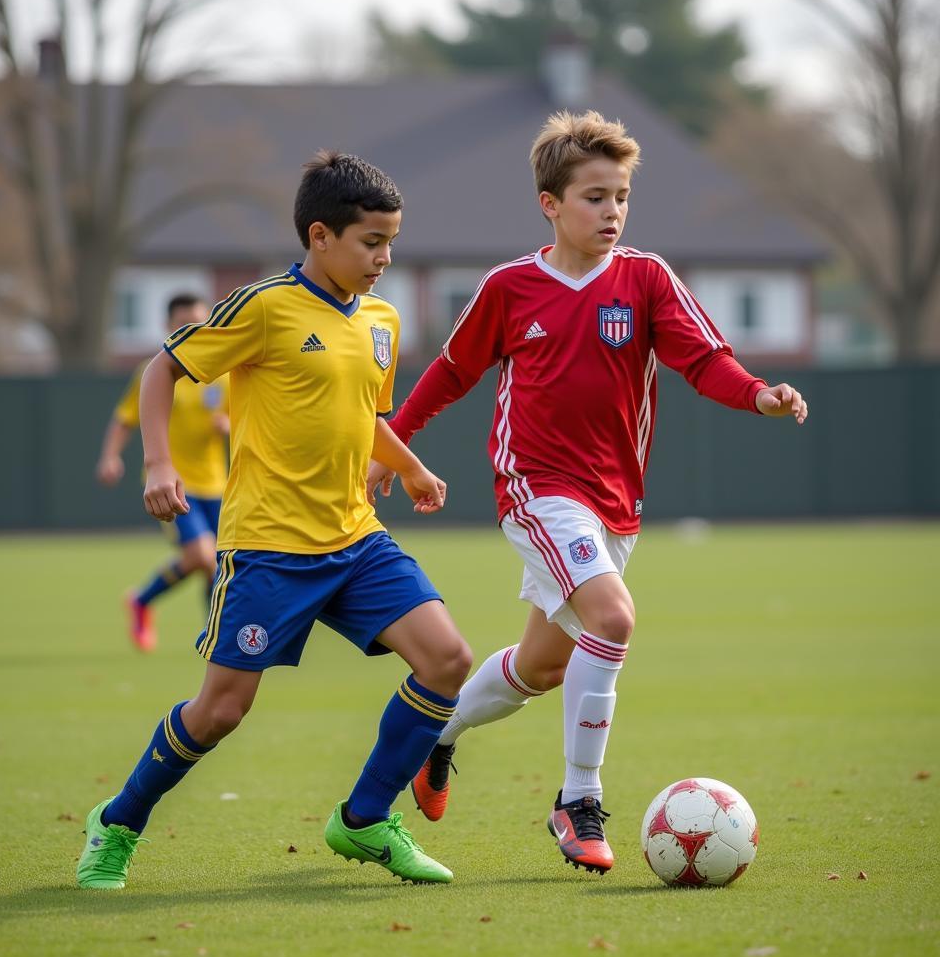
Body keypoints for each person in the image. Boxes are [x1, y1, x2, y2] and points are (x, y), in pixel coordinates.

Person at [374, 110, 808, 876]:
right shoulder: (510, 287)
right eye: (595, 197)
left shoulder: (645, 279)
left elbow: (705, 362)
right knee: (613, 617)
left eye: (621, 199)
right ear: (551, 203)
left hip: (615, 504)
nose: (611, 213)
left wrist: (758, 395)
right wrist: (394, 444)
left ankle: (434, 736)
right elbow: (451, 372)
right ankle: (578, 800)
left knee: (544, 666)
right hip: (536, 487)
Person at [76, 151, 473, 891]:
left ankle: (363, 819)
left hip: (355, 539)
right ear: (319, 235)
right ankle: (119, 822)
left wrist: (409, 465)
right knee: (221, 711)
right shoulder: (263, 307)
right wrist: (158, 464)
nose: (384, 259)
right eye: (370, 243)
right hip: (268, 549)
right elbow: (160, 369)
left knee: (447, 660)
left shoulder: (381, 319)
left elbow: (364, 413)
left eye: (391, 243)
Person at [96, 293, 229, 652]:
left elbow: (245, 416)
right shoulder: (155, 370)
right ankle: (152, 606)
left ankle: (164, 610)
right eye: (184, 323)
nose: (192, 330)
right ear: (168, 326)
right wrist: (111, 456)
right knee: (203, 557)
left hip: (219, 484)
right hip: (172, 483)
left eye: (199, 323)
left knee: (217, 564)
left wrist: (228, 424)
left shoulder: (222, 373)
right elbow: (125, 419)